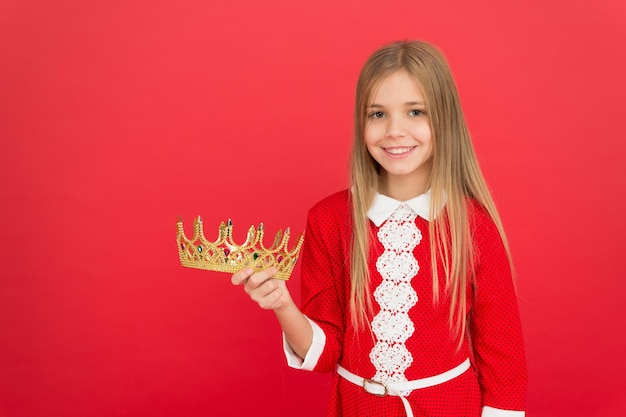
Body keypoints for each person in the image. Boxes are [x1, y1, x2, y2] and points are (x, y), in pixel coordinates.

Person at [231, 40, 527, 417]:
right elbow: (325, 353)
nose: (395, 131)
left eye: (415, 111)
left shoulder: (473, 226)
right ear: (361, 122)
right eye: (378, 115)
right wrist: (283, 305)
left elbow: (505, 359)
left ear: (445, 119)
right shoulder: (329, 220)